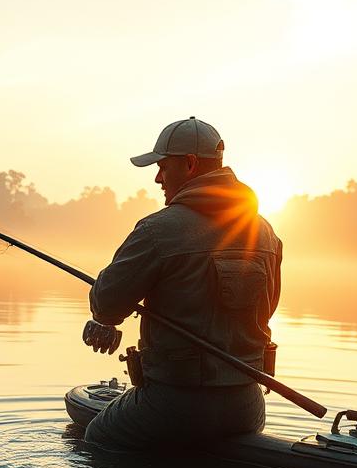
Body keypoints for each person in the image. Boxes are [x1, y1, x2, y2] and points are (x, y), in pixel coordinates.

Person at [82, 117, 283, 450]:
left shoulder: (157, 230)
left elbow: (106, 303)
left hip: (173, 406)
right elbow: (269, 308)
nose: (158, 178)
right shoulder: (265, 232)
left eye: (163, 166)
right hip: (246, 407)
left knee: (95, 439)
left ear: (189, 164)